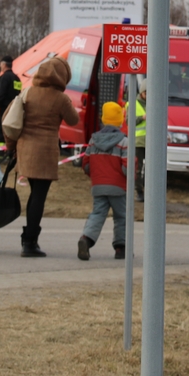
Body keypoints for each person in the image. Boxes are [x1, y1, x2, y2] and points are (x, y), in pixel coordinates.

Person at [6, 56, 79, 258]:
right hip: (46, 151)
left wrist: (11, 148)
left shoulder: (27, 92)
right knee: (39, 196)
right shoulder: (60, 98)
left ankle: (28, 238)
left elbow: (9, 120)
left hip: (26, 150)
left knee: (33, 194)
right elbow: (74, 120)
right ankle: (30, 241)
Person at [77, 102, 129, 261]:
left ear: (103, 119)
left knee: (97, 214)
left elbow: (85, 164)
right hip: (118, 188)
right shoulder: (124, 142)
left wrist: (95, 176)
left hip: (98, 186)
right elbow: (128, 167)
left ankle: (86, 239)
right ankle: (121, 248)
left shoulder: (93, 140)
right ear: (121, 121)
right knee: (121, 216)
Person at [0, 56, 21, 158]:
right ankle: (10, 153)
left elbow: (1, 94)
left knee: (0, 132)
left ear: (4, 65)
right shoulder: (16, 78)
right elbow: (18, 94)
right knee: (10, 132)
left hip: (4, 108)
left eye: (1, 64)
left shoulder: (4, 77)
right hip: (14, 109)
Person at [133, 78, 147, 203]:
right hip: (138, 142)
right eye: (145, 92)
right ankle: (139, 192)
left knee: (150, 169)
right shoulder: (133, 103)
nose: (147, 95)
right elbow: (128, 120)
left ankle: (149, 191)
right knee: (137, 169)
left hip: (151, 144)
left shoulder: (155, 102)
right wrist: (141, 118)